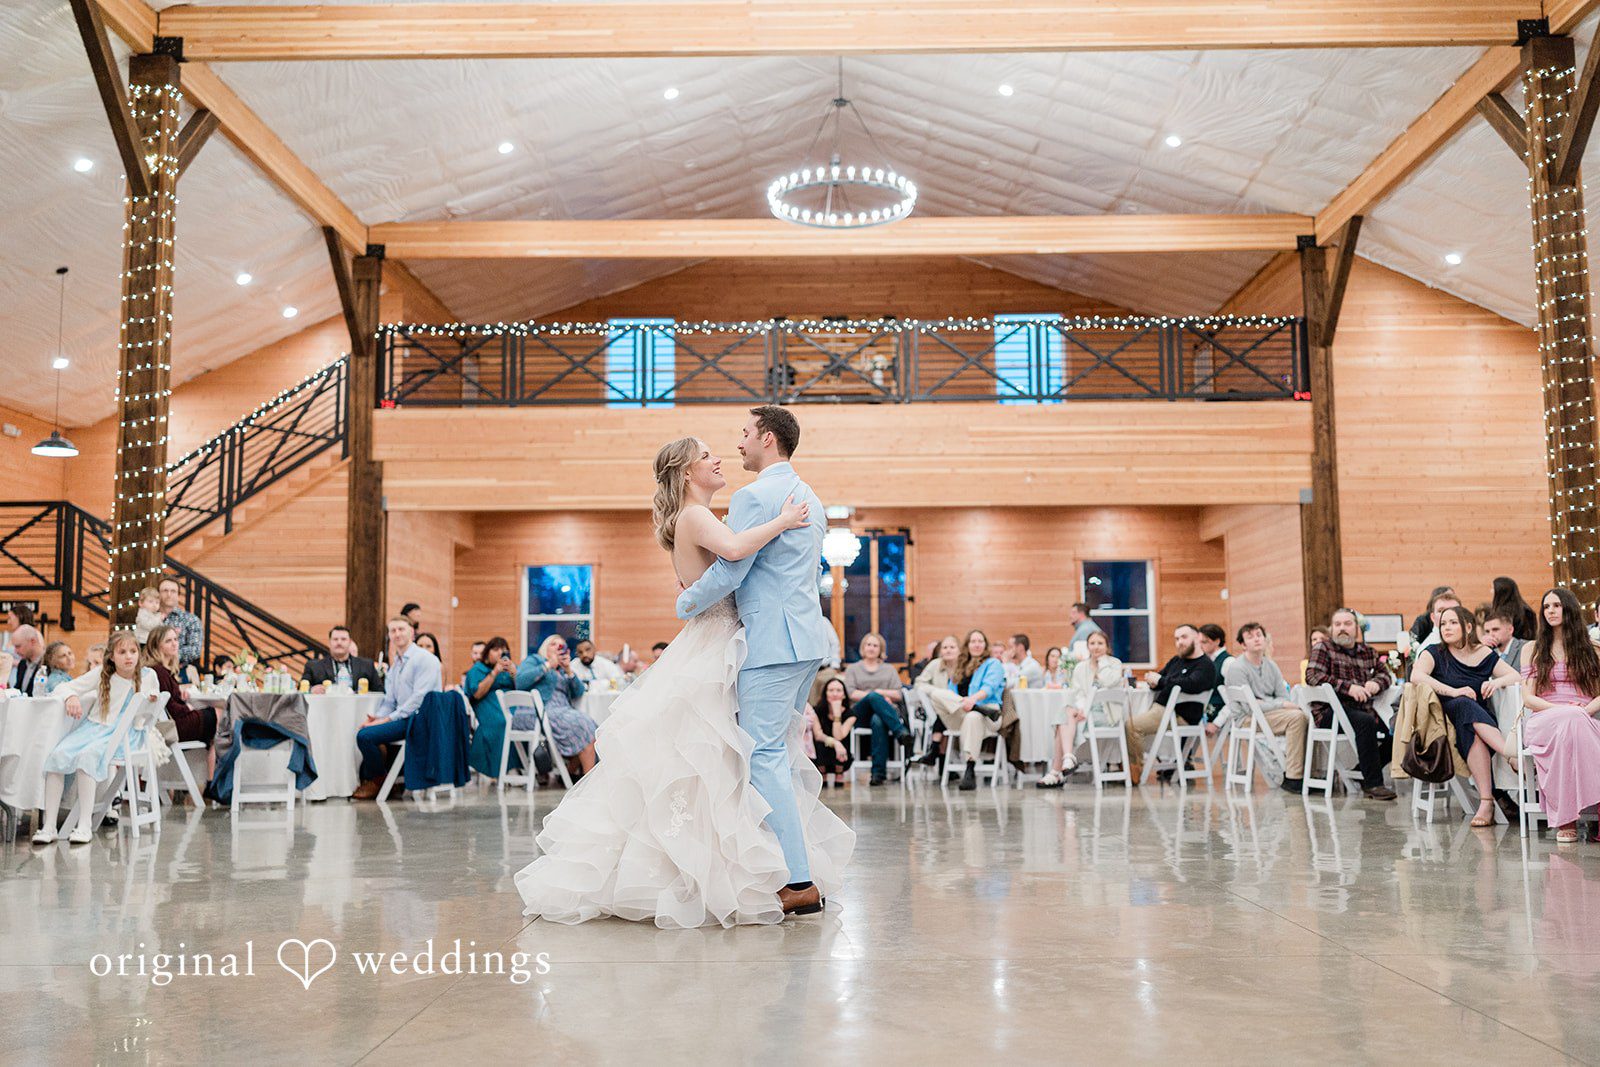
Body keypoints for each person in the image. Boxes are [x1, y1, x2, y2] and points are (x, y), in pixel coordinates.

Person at [516, 421, 853, 927]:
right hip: (741, 641)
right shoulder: (715, 512)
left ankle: (773, 871)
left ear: (766, 437)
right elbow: (736, 558)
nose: (724, 454)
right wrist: (776, 526)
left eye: (737, 438)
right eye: (707, 454)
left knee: (734, 757)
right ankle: (769, 872)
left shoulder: (722, 508)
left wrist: (690, 596)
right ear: (686, 471)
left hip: (744, 640)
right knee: (725, 756)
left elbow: (732, 565)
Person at [32, 631, 161, 846]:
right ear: (112, 656)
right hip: (95, 728)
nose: (128, 656)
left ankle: (85, 825)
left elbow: (153, 699)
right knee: (57, 755)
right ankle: (49, 826)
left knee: (88, 757)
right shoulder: (103, 674)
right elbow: (65, 686)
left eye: (133, 651)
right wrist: (71, 696)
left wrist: (151, 699)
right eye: (122, 652)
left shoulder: (148, 675)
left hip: (127, 734)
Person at [1411, 605, 1520, 827]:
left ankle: (1486, 803)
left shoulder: (1483, 653)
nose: (1446, 627)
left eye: (1453, 622)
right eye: (1443, 623)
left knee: (1471, 726)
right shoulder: (1433, 652)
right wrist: (1453, 691)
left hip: (1479, 722)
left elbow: (1516, 676)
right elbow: (1416, 676)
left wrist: (1497, 682)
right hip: (1446, 719)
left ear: (1468, 627)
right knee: (1463, 704)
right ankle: (1510, 753)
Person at [1519, 587, 1600, 843]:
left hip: (1583, 718)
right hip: (1544, 717)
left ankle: (1568, 819)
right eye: (1546, 606)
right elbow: (1529, 698)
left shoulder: (1592, 648)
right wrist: (1565, 710)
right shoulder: (1532, 649)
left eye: (1556, 605)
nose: (1551, 611)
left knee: (1573, 727)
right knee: (1571, 722)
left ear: (1569, 609)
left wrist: (1583, 711)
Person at [1304, 608, 1398, 800]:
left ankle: (1361, 771)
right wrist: (1348, 688)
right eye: (1337, 624)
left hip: (1362, 710)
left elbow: (1386, 675)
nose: (1342, 628)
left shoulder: (1368, 652)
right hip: (1330, 712)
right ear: (1332, 629)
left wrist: (1376, 683)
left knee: (1397, 730)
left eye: (1347, 624)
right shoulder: (1323, 648)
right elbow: (1313, 675)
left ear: (1357, 629)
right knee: (1365, 721)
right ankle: (1374, 784)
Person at [352, 617, 442, 800]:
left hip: (420, 719)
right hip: (404, 718)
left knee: (365, 736)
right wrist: (378, 718)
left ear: (412, 632)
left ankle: (379, 781)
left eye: (401, 629)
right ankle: (384, 781)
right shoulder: (396, 665)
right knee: (364, 729)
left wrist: (388, 719)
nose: (397, 634)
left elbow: (419, 699)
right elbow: (389, 701)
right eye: (393, 631)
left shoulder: (426, 659)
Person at [1221, 622, 1308, 792]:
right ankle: (1293, 777)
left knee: (1307, 717)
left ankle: (1310, 773)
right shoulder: (1237, 668)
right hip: (1247, 719)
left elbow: (1283, 695)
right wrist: (1278, 704)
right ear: (1243, 644)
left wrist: (1265, 703)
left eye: (1259, 635)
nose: (1256, 639)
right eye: (1250, 637)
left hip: (1269, 715)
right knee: (1297, 718)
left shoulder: (1271, 665)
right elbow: (1249, 707)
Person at [1037, 630, 1122, 788]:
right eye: (1092, 643)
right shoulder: (1081, 667)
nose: (1096, 647)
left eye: (1100, 643)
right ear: (1087, 646)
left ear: (1107, 646)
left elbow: (1109, 681)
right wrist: (1082, 709)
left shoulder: (1114, 663)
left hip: (1107, 715)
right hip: (1086, 711)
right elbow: (1079, 693)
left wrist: (1102, 662)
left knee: (1063, 719)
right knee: (1065, 714)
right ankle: (1068, 758)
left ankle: (1056, 771)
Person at [1125, 624, 1218, 763]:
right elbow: (1161, 679)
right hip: (1163, 710)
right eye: (1177, 639)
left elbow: (1190, 684)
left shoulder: (1206, 665)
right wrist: (1153, 682)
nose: (1180, 642)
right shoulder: (1177, 660)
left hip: (1178, 714)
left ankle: (1135, 770)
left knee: (1132, 726)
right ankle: (1125, 764)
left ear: (1197, 638)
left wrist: (1160, 680)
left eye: (1184, 637)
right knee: (1126, 717)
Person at [514, 635, 598, 776]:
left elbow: (579, 692)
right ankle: (588, 780)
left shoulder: (562, 669)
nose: (558, 647)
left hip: (561, 711)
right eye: (553, 644)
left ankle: (572, 773)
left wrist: (568, 670)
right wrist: (547, 665)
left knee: (592, 729)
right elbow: (520, 681)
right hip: (537, 711)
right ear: (545, 647)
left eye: (562, 646)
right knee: (584, 725)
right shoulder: (535, 660)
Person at [143, 625, 217, 784]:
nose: (174, 644)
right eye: (168, 641)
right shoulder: (159, 672)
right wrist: (188, 707)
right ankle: (213, 779)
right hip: (174, 726)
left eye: (175, 639)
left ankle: (212, 776)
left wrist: (181, 697)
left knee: (216, 720)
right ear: (157, 646)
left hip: (173, 723)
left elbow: (170, 701)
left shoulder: (161, 670)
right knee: (217, 715)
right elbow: (171, 709)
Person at [841, 632, 911, 785]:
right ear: (863, 647)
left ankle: (878, 774)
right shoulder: (853, 668)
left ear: (881, 649)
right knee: (873, 697)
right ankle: (900, 731)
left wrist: (880, 694)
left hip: (884, 714)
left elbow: (898, 694)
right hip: (860, 713)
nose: (871, 648)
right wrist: (875, 696)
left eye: (875, 645)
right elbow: (851, 693)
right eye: (868, 645)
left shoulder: (889, 669)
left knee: (878, 720)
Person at [950, 629, 1007, 791]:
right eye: (973, 641)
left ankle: (970, 768)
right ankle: (974, 709)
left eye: (980, 641)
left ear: (985, 645)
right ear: (967, 645)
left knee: (973, 717)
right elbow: (950, 692)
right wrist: (963, 703)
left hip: (989, 712)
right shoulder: (959, 666)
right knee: (937, 694)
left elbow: (989, 688)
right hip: (960, 710)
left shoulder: (993, 664)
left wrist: (972, 700)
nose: (976, 645)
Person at [465, 636, 519, 779]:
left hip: (511, 705)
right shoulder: (478, 669)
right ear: (487, 652)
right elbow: (477, 693)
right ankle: (505, 768)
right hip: (488, 706)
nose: (500, 653)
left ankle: (527, 766)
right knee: (501, 723)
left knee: (521, 721)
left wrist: (515, 674)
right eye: (496, 650)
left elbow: (523, 688)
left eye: (504, 650)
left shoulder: (511, 668)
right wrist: (495, 672)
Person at [912, 634, 962, 764]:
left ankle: (934, 750)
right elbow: (919, 683)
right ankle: (941, 761)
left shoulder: (964, 667)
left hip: (960, 709)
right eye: (945, 647)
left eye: (952, 647)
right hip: (938, 707)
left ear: (959, 650)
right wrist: (937, 692)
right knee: (944, 709)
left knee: (946, 712)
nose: (948, 650)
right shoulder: (935, 664)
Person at [301, 625, 383, 693]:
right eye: (335, 639)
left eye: (343, 639)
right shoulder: (314, 666)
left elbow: (380, 692)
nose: (339, 642)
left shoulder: (367, 665)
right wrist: (311, 690)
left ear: (350, 642)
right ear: (329, 643)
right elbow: (300, 690)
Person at [810, 677, 855, 787]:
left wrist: (837, 714)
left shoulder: (850, 714)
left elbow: (838, 736)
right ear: (825, 693)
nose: (835, 694)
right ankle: (822, 774)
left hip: (841, 755)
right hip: (821, 751)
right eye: (831, 690)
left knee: (841, 738)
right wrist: (835, 743)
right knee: (822, 741)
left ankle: (839, 773)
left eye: (838, 690)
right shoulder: (816, 711)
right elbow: (818, 735)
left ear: (844, 695)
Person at [157, 576, 202, 667]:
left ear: (178, 595)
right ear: (158, 594)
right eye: (165, 591)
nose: (169, 594)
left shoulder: (191, 620)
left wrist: (168, 655)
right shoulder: (148, 618)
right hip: (151, 668)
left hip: (180, 668)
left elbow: (195, 650)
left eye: (173, 591)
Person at [1197, 623, 1231, 715]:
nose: (1200, 646)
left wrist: (1218, 722)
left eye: (1204, 642)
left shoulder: (1228, 662)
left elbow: (1233, 700)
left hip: (1222, 717)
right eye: (1199, 642)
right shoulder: (1208, 661)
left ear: (1217, 641)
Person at [1491, 576, 1538, 640]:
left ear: (1500, 591)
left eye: (1493, 588)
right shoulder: (1527, 610)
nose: (1491, 591)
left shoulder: (1501, 613)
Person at [7, 625, 45, 693]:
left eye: (18, 646)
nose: (15, 651)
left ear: (32, 641)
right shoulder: (22, 664)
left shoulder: (48, 665)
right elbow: (18, 691)